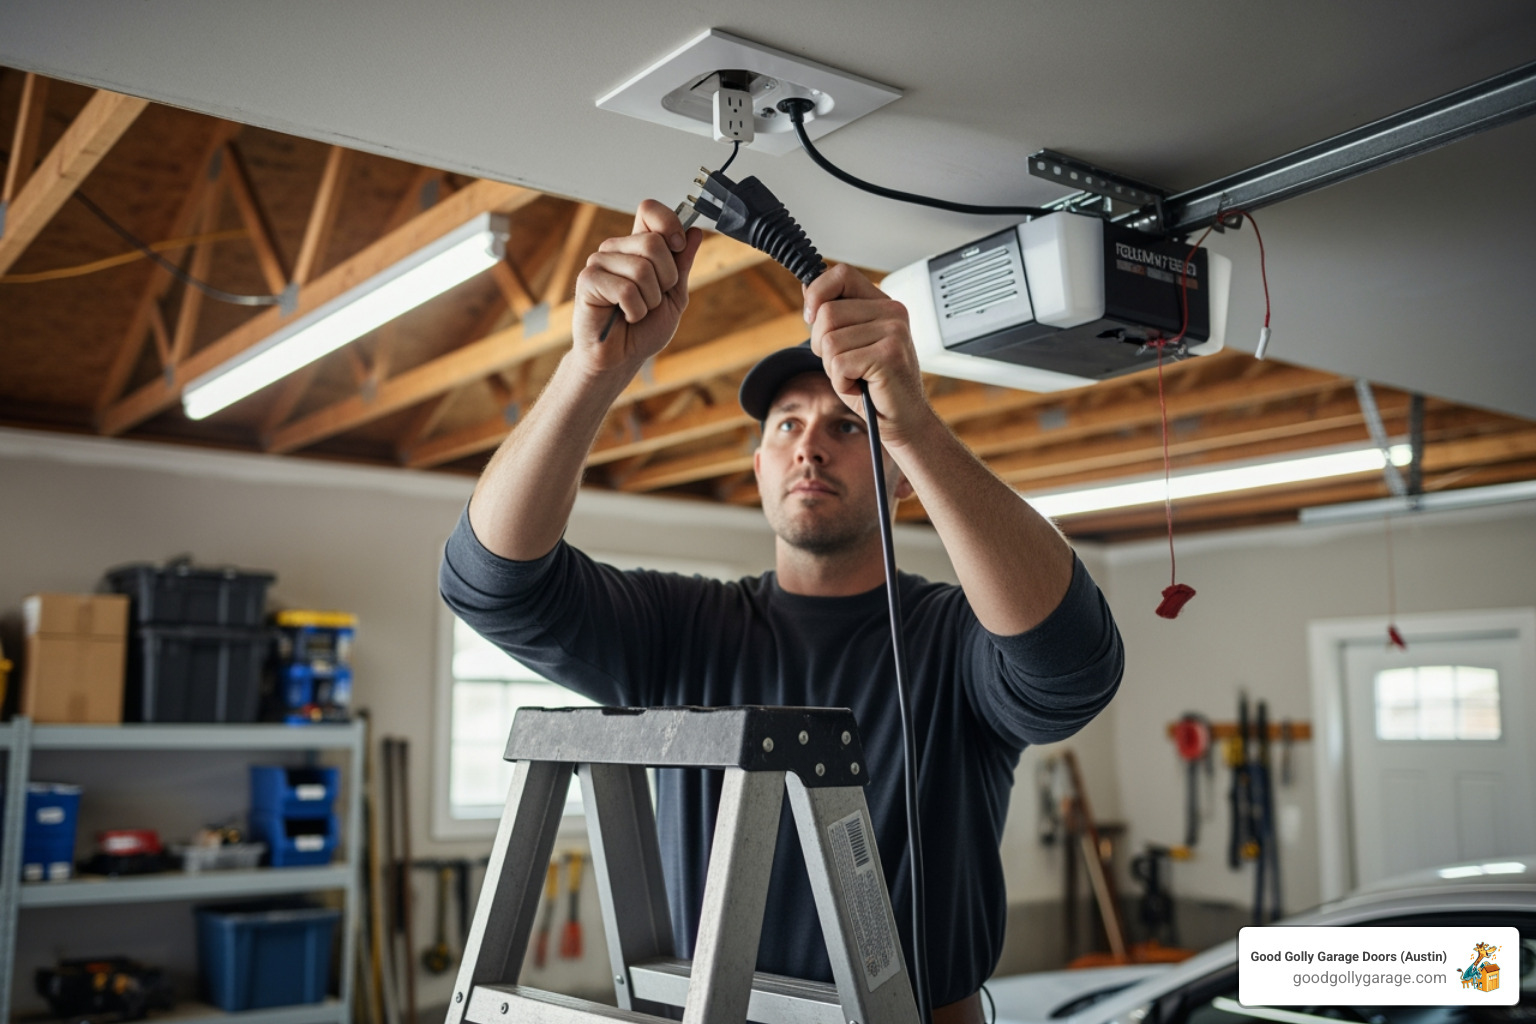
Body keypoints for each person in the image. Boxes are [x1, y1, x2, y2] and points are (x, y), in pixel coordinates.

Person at [440, 200, 1124, 1023]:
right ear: (759, 465)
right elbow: (493, 583)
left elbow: (1074, 665)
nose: (811, 444)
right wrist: (592, 373)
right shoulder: (683, 629)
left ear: (899, 476)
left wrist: (911, 423)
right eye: (788, 425)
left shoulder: (950, 640)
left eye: (846, 424)